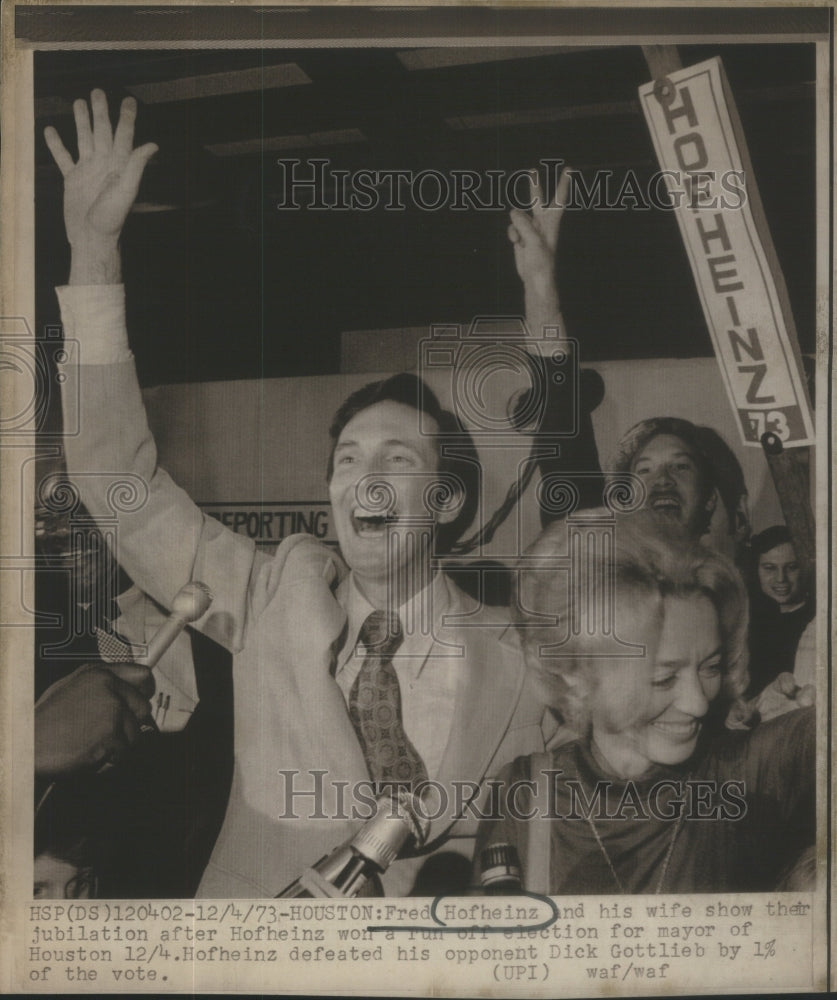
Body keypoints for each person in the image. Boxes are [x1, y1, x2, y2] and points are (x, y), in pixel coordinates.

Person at [47, 91, 552, 897]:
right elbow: (119, 483)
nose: (365, 477)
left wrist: (546, 312)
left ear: (448, 502)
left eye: (397, 458)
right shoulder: (265, 594)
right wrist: (93, 248)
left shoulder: (524, 654)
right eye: (347, 460)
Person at [473, 512, 815, 894]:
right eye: (663, 677)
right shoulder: (525, 790)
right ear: (575, 670)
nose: (698, 703)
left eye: (711, 666)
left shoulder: (749, 770)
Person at [509, 172, 751, 563]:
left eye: (681, 466)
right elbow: (561, 413)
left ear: (708, 500)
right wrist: (540, 284)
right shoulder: (595, 560)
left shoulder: (730, 600)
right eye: (644, 470)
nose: (662, 481)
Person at [746, 525, 815, 698]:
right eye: (769, 568)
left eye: (792, 567)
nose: (781, 578)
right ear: (756, 570)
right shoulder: (749, 619)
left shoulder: (815, 620)